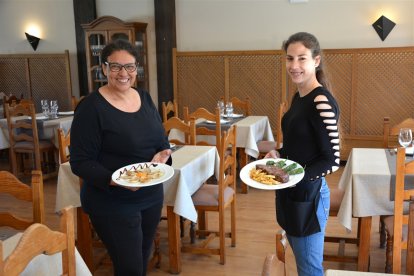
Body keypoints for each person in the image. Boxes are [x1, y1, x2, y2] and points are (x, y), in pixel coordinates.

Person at [70, 39, 172, 276]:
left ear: (137, 69)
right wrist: (117, 180)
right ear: (104, 68)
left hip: (150, 195)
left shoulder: (145, 98)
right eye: (115, 66)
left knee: (141, 261)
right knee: (130, 269)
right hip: (112, 200)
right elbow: (80, 162)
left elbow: (161, 140)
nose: (123, 73)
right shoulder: (91, 108)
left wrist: (164, 154)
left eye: (130, 67)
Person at [265, 32, 340, 276]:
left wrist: (296, 177)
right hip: (293, 192)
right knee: (302, 264)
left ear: (316, 61)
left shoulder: (320, 101)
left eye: (301, 59)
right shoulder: (300, 96)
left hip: (310, 197)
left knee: (309, 269)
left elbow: (332, 160)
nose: (294, 66)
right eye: (289, 59)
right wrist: (278, 152)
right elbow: (299, 146)